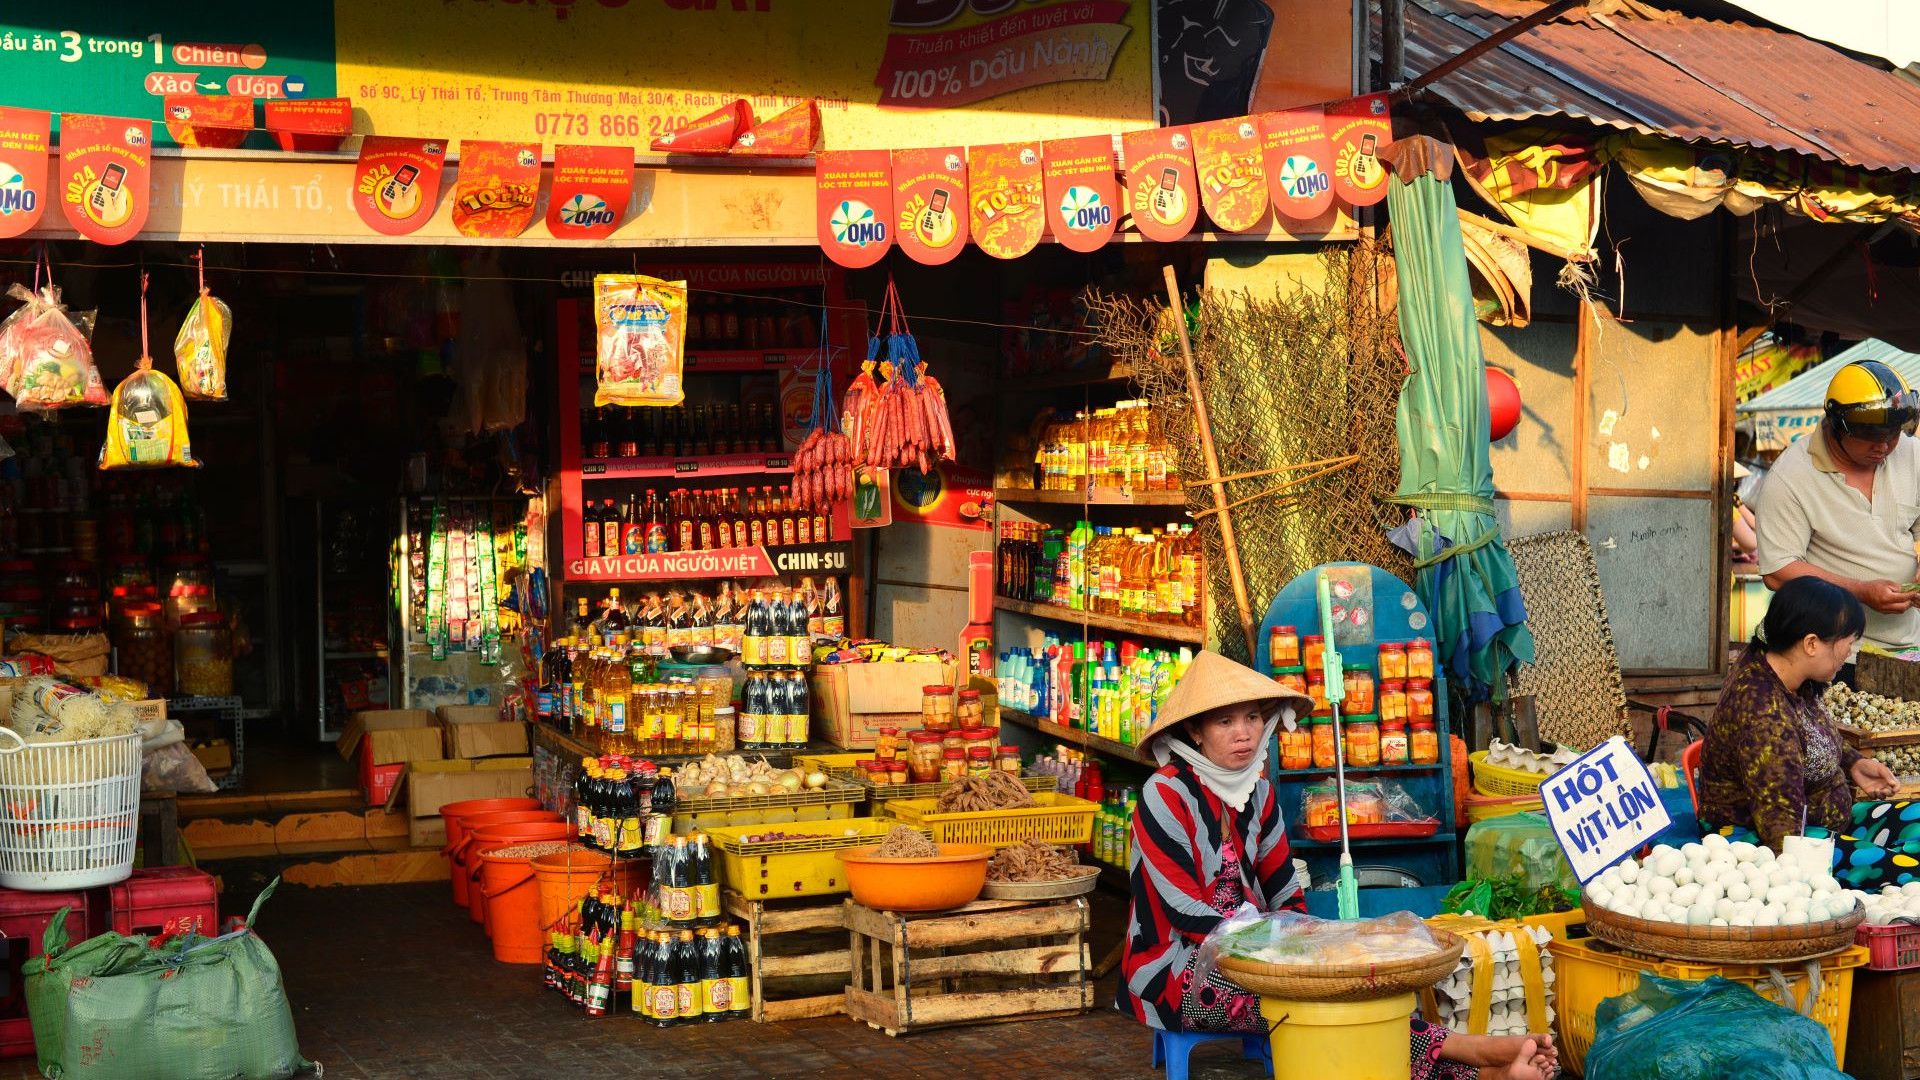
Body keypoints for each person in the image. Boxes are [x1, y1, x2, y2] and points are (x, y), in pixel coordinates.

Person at [1118, 650, 1556, 1080]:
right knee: (1316, 1003)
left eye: (1252, 718)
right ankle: (1473, 1054)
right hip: (1176, 967)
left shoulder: (1259, 790)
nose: (1244, 734)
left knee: (1348, 988)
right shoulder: (1164, 794)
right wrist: (1276, 956)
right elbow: (1183, 912)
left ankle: (1481, 1074)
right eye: (1225, 721)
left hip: (1259, 954)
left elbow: (1284, 888)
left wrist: (1310, 949)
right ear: (1195, 731)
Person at [1699, 577, 1906, 887]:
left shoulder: (1785, 670)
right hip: (1762, 842)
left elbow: (1809, 732)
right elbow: (1782, 836)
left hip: (1822, 820)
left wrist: (1852, 762)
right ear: (1811, 644)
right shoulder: (1764, 714)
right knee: (1904, 867)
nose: (1849, 652)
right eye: (1847, 643)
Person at [1755, 359, 1920, 657]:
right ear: (1837, 426)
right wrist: (1860, 590)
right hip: (1828, 654)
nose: (1883, 447)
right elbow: (1777, 572)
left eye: (1892, 435)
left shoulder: (1913, 455)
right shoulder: (1790, 475)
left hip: (1908, 647)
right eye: (1871, 437)